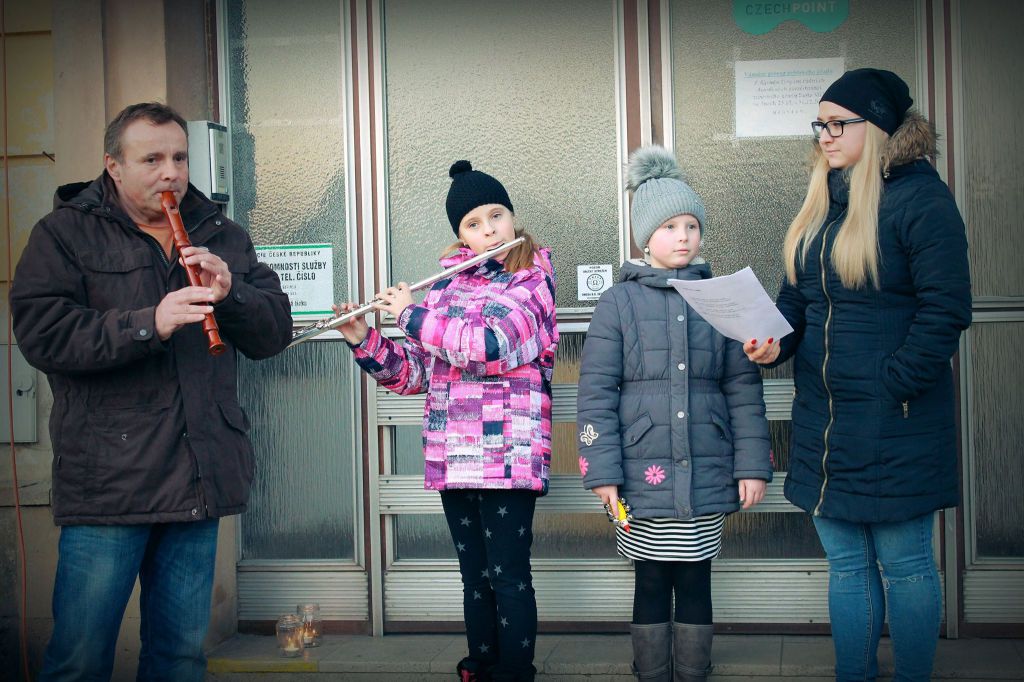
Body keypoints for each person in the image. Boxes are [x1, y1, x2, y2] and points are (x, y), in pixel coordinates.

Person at [10, 102, 293, 681]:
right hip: (109, 481)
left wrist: (232, 295)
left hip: (198, 476)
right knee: (79, 659)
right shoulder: (63, 233)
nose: (171, 172)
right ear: (113, 166)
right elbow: (43, 335)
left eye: (180, 158)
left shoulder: (221, 233)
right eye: (153, 159)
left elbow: (273, 335)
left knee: (179, 658)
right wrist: (149, 324)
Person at [745, 69, 972, 681]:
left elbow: (947, 309)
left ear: (876, 127)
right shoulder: (825, 201)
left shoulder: (921, 201)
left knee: (906, 567)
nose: (824, 135)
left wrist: (892, 384)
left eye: (838, 123)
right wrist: (774, 343)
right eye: (820, 124)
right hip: (826, 421)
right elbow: (797, 301)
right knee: (846, 565)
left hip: (896, 421)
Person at [335, 160, 558, 682]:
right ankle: (481, 664)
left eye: (496, 216)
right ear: (461, 234)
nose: (489, 230)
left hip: (507, 455)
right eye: (473, 224)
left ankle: (515, 672)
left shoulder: (533, 280)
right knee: (474, 577)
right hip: (453, 453)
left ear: (511, 216)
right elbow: (415, 374)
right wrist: (363, 339)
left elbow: (489, 347)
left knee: (508, 576)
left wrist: (410, 314)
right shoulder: (445, 289)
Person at [578, 145, 772, 682]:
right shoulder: (618, 303)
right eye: (669, 227)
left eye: (691, 225)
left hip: (706, 469)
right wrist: (602, 472)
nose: (683, 236)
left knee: (695, 580)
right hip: (642, 475)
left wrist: (752, 466)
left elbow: (742, 387)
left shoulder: (720, 297)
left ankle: (692, 671)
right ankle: (651, 672)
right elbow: (596, 392)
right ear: (646, 237)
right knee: (649, 579)